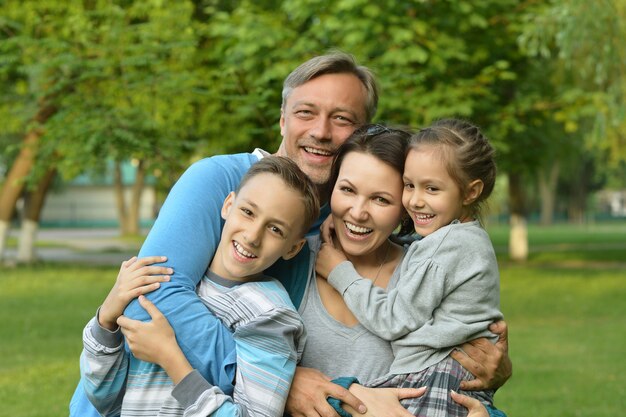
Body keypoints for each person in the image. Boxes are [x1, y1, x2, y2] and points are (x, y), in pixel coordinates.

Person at [70, 52, 511, 417]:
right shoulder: (222, 181)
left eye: (342, 119)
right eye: (306, 112)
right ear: (282, 118)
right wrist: (282, 380)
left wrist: (493, 372)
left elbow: (448, 355)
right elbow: (152, 300)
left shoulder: (382, 249)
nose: (321, 131)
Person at [80, 156, 318, 416]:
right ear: (228, 205)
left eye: (275, 229)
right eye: (248, 212)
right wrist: (107, 319)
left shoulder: (270, 315)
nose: (252, 236)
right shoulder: (172, 290)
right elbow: (106, 398)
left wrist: (172, 359)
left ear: (293, 248)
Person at [316, 119, 502, 416]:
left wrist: (339, 271)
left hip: (436, 375)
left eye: (431, 188)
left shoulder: (445, 247)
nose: (416, 200)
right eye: (409, 186)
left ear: (470, 192)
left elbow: (393, 319)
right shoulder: (462, 239)